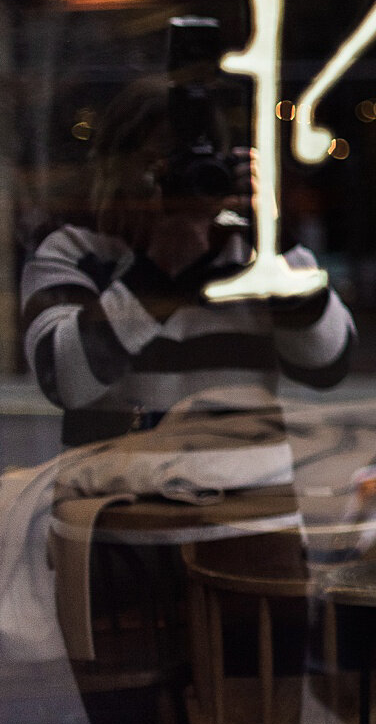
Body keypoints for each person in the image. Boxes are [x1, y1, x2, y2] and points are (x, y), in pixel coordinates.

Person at [22, 67, 356, 446]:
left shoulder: (254, 254)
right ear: (113, 165)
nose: (176, 185)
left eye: (195, 166)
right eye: (158, 166)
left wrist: (273, 238)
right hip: (112, 495)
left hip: (245, 497)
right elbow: (64, 382)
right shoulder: (75, 253)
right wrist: (158, 269)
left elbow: (328, 363)